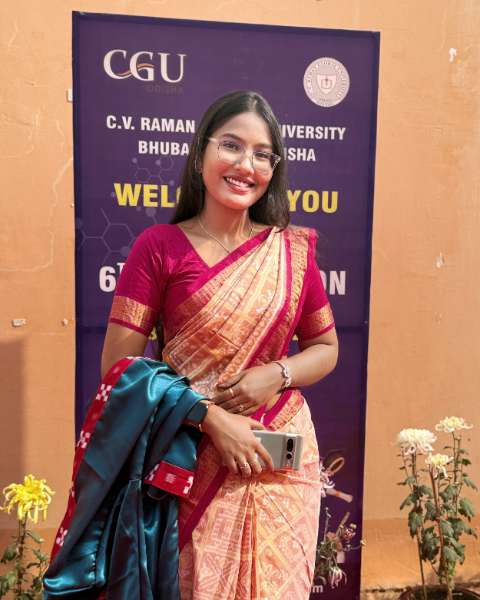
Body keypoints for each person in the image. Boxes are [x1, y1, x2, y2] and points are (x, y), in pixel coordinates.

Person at [102, 90, 338, 600]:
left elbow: (325, 347)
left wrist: (276, 374)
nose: (245, 165)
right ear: (200, 153)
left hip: (280, 466)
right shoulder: (158, 249)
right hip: (190, 457)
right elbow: (120, 367)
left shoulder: (292, 250)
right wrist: (209, 418)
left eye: (262, 154)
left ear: (273, 168)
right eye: (231, 145)